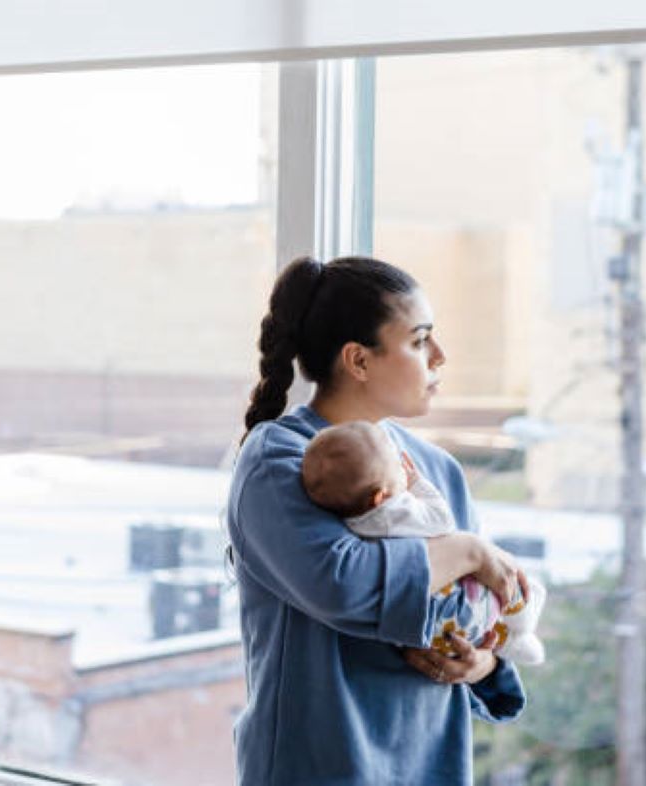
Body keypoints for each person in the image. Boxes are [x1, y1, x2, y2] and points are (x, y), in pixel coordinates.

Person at [227, 255, 528, 785]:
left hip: (431, 767)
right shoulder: (279, 461)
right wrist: (468, 551)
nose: (440, 356)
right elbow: (345, 584)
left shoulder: (438, 469)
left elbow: (474, 606)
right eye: (420, 340)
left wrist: (483, 665)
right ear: (359, 360)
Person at [301, 420, 547, 666]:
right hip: (463, 605)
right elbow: (442, 521)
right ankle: (522, 624)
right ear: (380, 497)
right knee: (520, 586)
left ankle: (508, 643)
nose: (403, 471)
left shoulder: (350, 523)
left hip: (432, 632)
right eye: (397, 467)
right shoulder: (395, 512)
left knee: (483, 622)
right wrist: (418, 484)